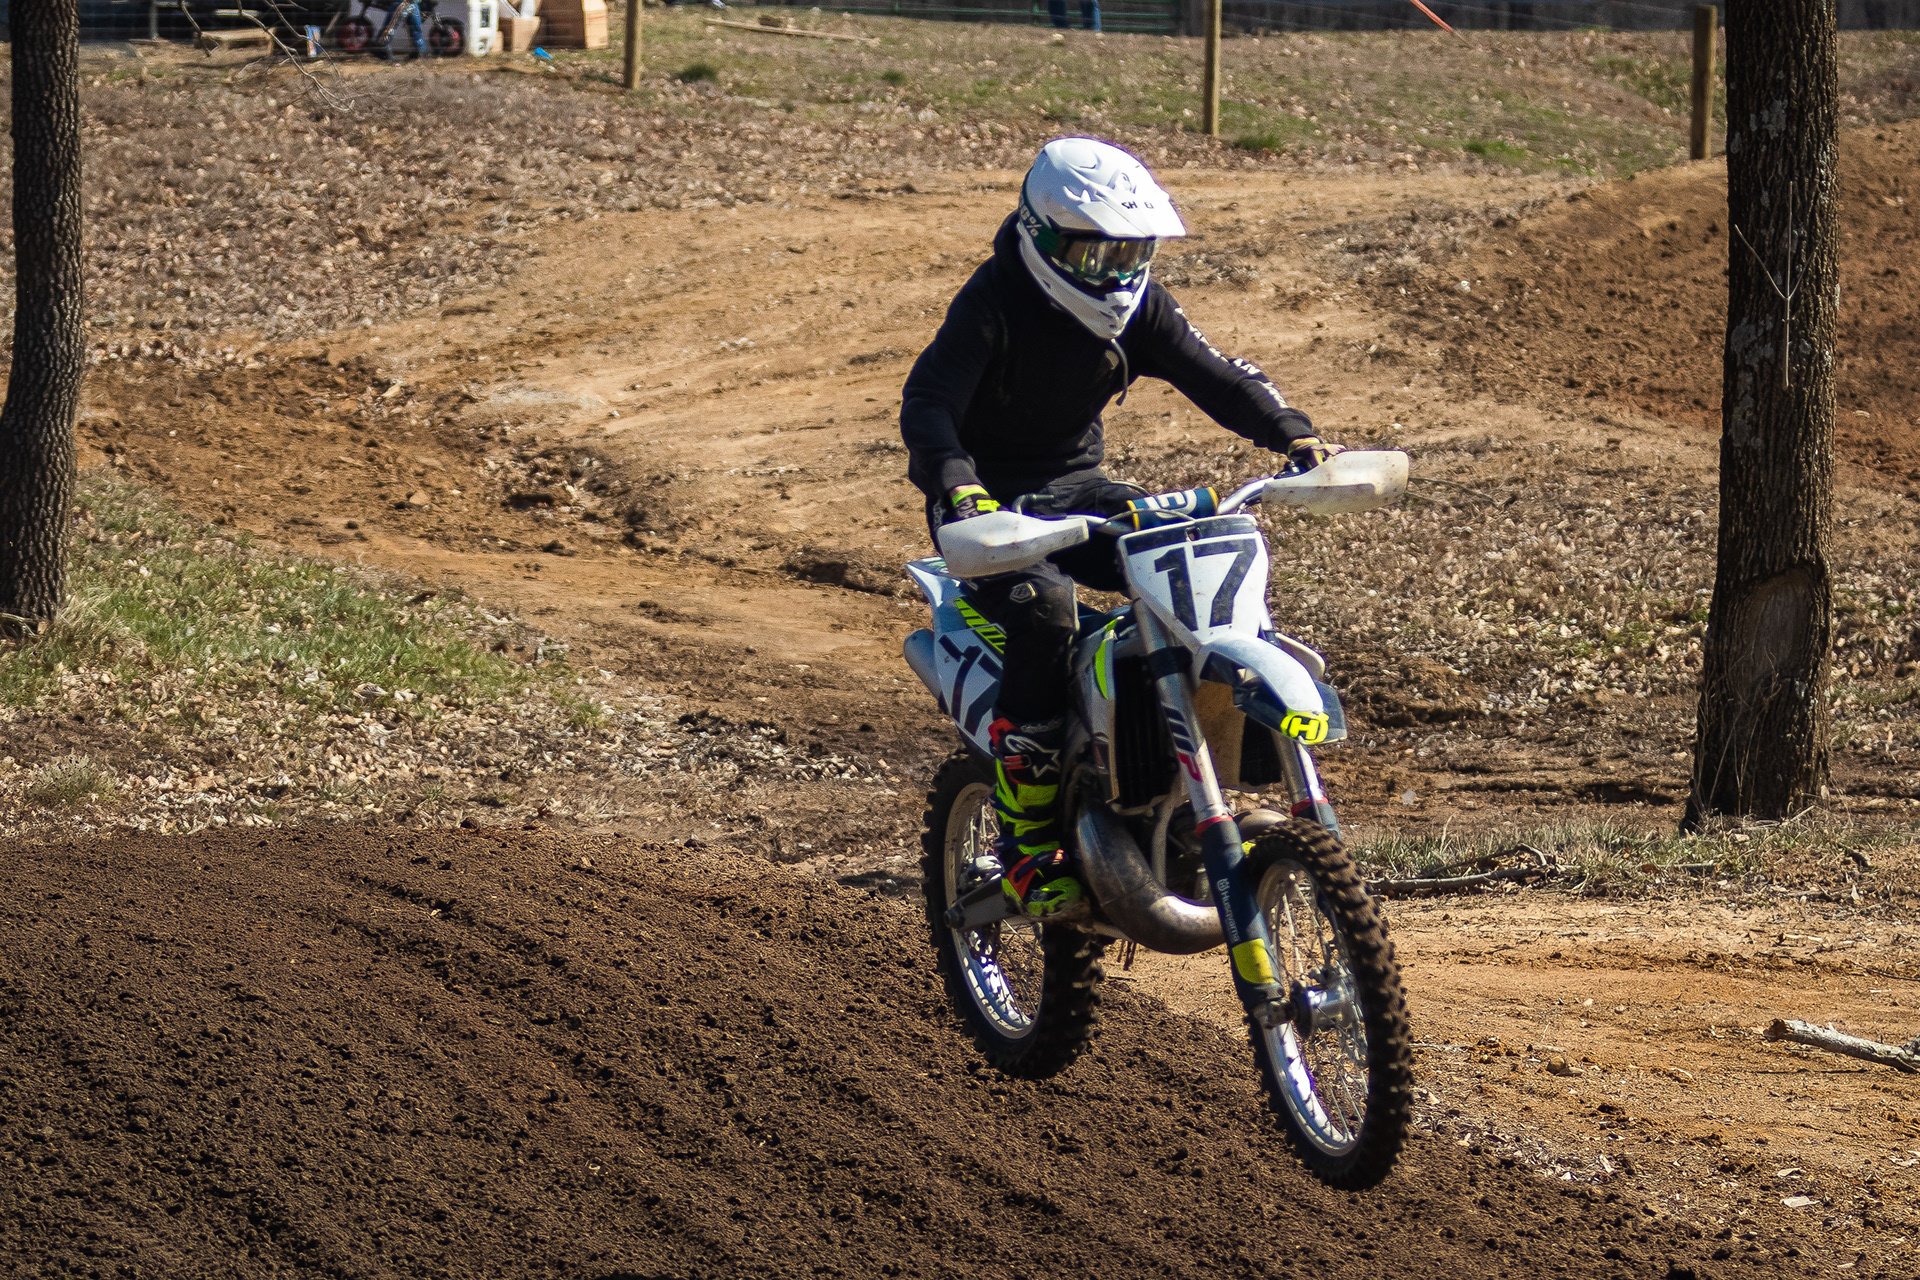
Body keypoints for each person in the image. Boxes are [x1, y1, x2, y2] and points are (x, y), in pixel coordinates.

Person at [900, 137, 1331, 919]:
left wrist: (1294, 435)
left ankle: (1168, 767)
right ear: (1041, 236)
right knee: (1043, 613)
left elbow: (1217, 374)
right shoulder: (994, 302)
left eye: (1130, 253)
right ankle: (1027, 841)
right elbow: (928, 404)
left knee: (1184, 567)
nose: (1114, 274)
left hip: (1079, 489)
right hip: (987, 506)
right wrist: (960, 489)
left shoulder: (1142, 309)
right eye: (1095, 254)